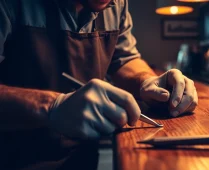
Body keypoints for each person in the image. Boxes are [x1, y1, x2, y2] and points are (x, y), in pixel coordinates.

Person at [0, 0, 198, 140]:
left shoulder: (116, 4)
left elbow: (123, 59)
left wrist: (147, 81)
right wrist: (51, 107)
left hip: (82, 155)